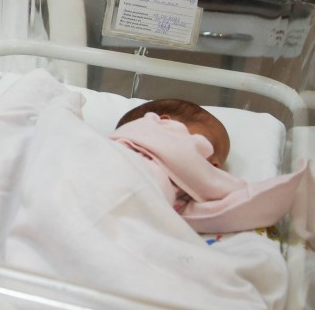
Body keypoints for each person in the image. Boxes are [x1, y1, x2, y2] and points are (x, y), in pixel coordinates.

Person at [110, 97, 303, 232]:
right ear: (164, 122)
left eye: (218, 161)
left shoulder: (181, 192)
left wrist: (274, 199)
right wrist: (234, 190)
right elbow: (215, 185)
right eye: (209, 146)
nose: (216, 165)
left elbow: (206, 216)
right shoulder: (145, 135)